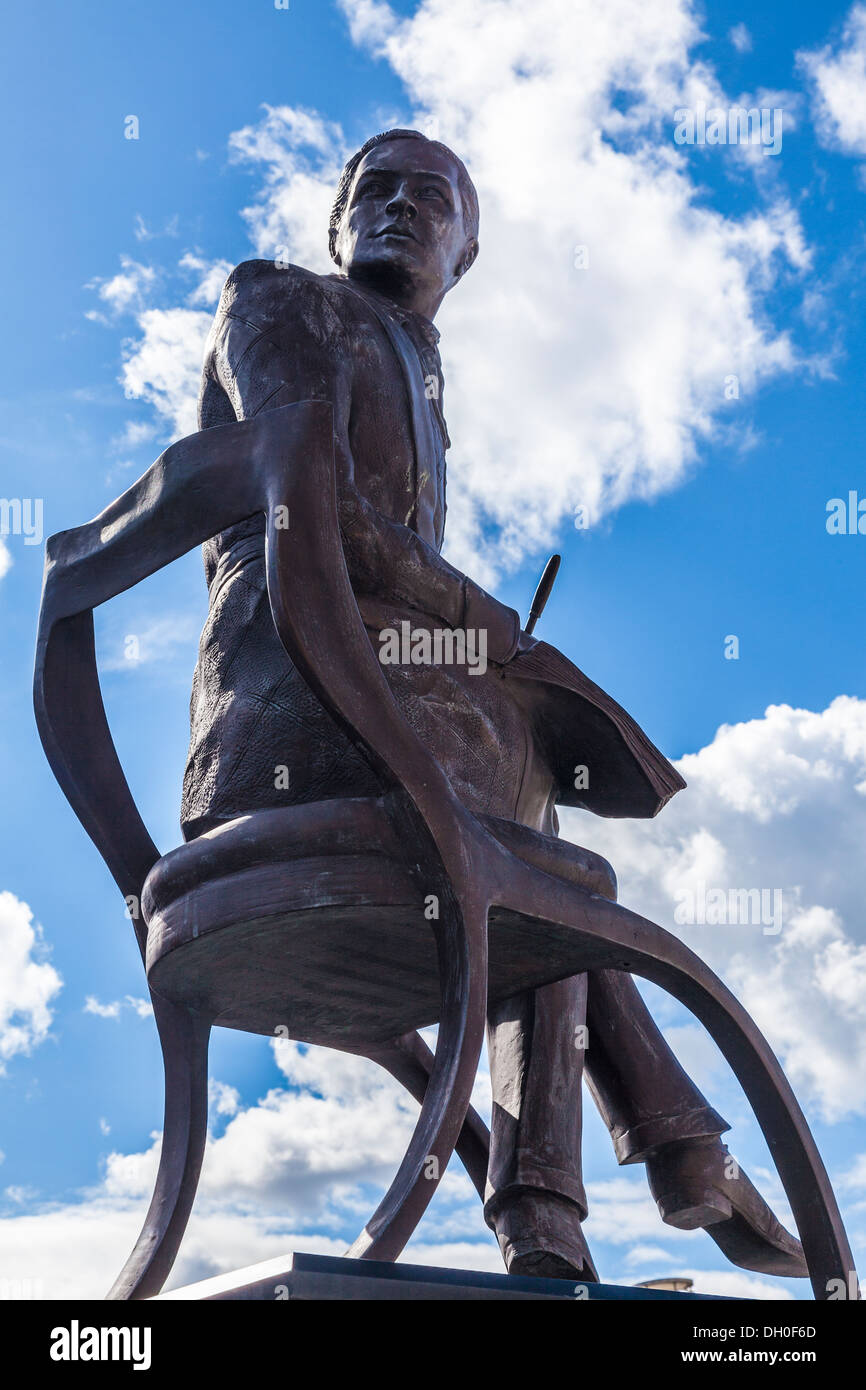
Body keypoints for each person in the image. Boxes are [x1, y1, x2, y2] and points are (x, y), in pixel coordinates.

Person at [182, 127, 806, 1280]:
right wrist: (490, 625)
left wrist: (496, 657)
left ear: (465, 255)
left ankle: (602, 1185)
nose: (400, 207)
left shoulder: (423, 381)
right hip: (286, 721)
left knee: (541, 855)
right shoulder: (277, 301)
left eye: (433, 198)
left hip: (398, 730)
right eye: (375, 189)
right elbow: (311, 513)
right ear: (333, 222)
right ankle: (621, 1173)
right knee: (547, 865)